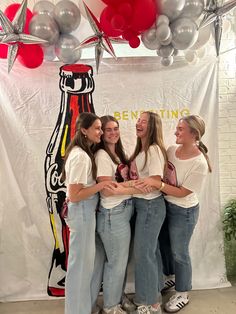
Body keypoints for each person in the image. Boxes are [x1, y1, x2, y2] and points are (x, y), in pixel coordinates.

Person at [136, 115, 211, 313]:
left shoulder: (199, 164)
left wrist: (158, 184)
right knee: (164, 247)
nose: (175, 132)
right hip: (165, 205)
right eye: (177, 128)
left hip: (184, 211)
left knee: (180, 252)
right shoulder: (170, 150)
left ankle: (183, 292)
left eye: (180, 129)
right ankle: (170, 278)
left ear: (193, 134)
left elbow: (182, 192)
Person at [62, 112, 113, 314]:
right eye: (97, 128)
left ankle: (83, 308)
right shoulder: (81, 157)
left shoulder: (80, 153)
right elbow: (75, 195)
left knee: (83, 266)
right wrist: (102, 185)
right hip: (81, 211)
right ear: (84, 130)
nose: (101, 132)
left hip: (84, 212)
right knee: (80, 269)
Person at [91, 115, 137, 314]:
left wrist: (128, 188)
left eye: (115, 128)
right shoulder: (102, 155)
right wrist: (134, 188)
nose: (113, 133)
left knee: (120, 261)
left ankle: (117, 296)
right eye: (108, 129)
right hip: (112, 213)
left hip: (123, 210)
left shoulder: (116, 153)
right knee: (116, 263)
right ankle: (111, 307)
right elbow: (106, 190)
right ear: (101, 133)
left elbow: (117, 184)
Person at [129, 111, 168, 314]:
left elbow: (155, 183)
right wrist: (136, 184)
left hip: (151, 207)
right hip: (144, 206)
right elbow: (146, 181)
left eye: (143, 121)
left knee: (143, 255)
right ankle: (155, 294)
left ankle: (149, 302)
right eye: (138, 120)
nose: (138, 123)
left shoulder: (153, 149)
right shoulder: (142, 149)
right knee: (150, 253)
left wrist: (126, 187)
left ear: (152, 126)